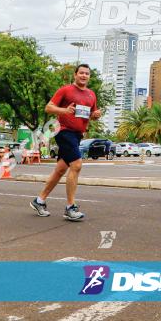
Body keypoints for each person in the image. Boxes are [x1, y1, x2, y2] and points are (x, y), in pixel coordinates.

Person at [30, 63, 102, 221]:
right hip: (63, 131)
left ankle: (39, 200)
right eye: (81, 73)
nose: (84, 76)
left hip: (77, 135)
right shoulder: (65, 90)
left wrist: (95, 115)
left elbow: (88, 115)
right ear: (75, 75)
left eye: (87, 74)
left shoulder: (91, 95)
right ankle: (70, 207)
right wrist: (64, 110)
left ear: (89, 77)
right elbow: (48, 108)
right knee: (76, 165)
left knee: (61, 170)